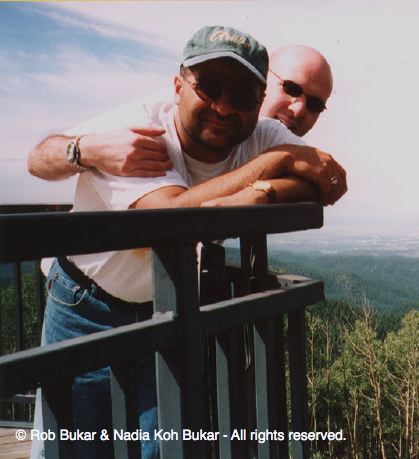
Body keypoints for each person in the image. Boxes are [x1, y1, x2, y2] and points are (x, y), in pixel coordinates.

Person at [27, 25, 347, 458]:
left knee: (160, 448)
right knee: (73, 447)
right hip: (86, 306)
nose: (223, 106)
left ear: (256, 103)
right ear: (178, 86)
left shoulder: (262, 133)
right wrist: (278, 162)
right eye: (209, 87)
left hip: (169, 304)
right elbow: (170, 217)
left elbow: (326, 178)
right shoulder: (138, 131)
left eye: (241, 97)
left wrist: (260, 191)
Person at [27, 44, 334, 181]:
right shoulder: (149, 122)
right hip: (85, 296)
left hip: (170, 295)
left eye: (315, 104)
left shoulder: (268, 137)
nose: (298, 109)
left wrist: (265, 185)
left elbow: (326, 176)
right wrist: (85, 149)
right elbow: (37, 160)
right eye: (291, 88)